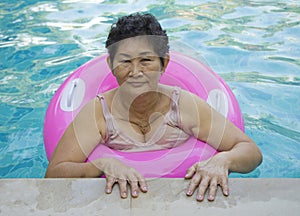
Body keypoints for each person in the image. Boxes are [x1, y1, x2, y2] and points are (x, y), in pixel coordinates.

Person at [45, 12, 262, 202]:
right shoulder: (98, 112)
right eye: (125, 62)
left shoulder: (184, 106)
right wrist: (100, 165)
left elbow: (250, 151)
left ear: (164, 63)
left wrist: (222, 160)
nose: (136, 72)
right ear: (111, 66)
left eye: (146, 60)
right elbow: (53, 174)